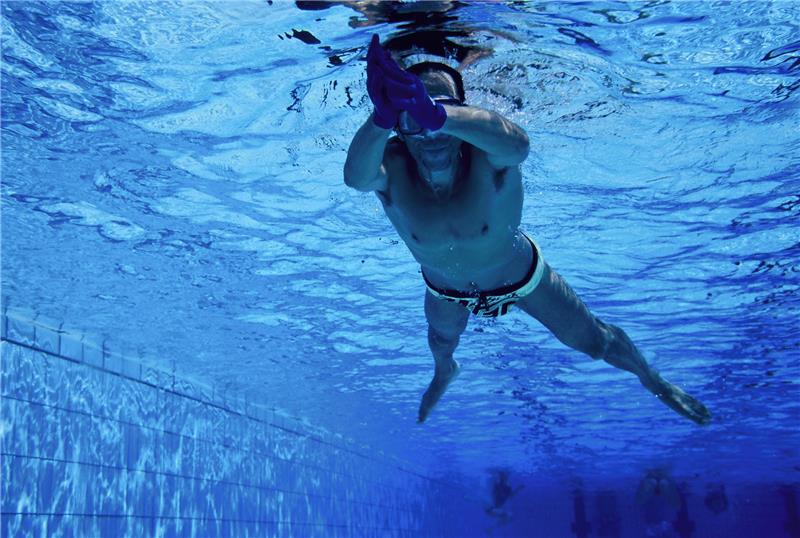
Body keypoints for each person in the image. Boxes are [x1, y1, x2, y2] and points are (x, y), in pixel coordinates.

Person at [344, 35, 712, 425]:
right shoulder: (391, 165)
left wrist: (434, 114)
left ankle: (653, 379)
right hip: (443, 290)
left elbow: (518, 145)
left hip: (520, 276)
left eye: (442, 114)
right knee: (441, 343)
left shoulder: (487, 154)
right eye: (413, 118)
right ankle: (444, 372)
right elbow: (355, 178)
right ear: (398, 127)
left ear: (462, 115)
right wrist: (380, 118)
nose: (431, 133)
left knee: (593, 341)